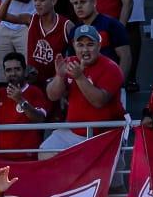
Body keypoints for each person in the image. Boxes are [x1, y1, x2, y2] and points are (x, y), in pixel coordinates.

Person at [42, 23, 124, 151]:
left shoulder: (111, 68)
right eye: (80, 45)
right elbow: (52, 96)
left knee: (98, 169)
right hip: (74, 131)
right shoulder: (69, 62)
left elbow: (99, 101)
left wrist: (79, 77)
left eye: (90, 45)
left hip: (106, 134)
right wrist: (60, 76)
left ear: (99, 45)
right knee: (45, 152)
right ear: (74, 46)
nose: (85, 50)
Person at [0, 51, 51, 155]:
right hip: (3, 157)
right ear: (4, 74)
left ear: (25, 72)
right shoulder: (1, 93)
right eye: (8, 70)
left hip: (28, 158)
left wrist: (20, 100)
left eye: (17, 69)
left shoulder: (35, 92)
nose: (13, 73)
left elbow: (39, 119)